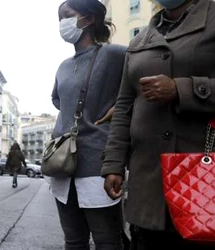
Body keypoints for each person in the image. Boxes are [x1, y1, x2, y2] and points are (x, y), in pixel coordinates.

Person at [102, 0, 215, 249]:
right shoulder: (140, 40)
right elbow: (124, 107)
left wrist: (181, 89)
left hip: (202, 182)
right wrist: (113, 164)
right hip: (147, 183)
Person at [51, 0, 127, 249]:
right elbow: (58, 101)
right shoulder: (63, 66)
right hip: (62, 165)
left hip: (98, 164)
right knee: (73, 241)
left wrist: (124, 106)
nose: (62, 23)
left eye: (68, 15)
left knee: (108, 241)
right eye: (59, 17)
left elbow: (146, 83)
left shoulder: (114, 54)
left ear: (89, 19)